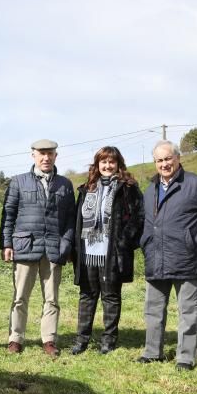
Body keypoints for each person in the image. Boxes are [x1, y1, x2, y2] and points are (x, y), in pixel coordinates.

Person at [137, 140, 197, 370]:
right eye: (159, 160)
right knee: (153, 309)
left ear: (178, 158)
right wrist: (146, 242)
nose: (164, 164)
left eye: (168, 159)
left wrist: (195, 242)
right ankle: (153, 351)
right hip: (156, 257)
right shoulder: (150, 189)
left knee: (188, 311)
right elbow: (146, 221)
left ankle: (185, 356)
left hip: (187, 257)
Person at [0, 138, 76, 356]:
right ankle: (15, 338)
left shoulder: (65, 184)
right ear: (33, 155)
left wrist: (67, 244)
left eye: (50, 153)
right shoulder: (18, 182)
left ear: (55, 156)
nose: (46, 157)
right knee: (20, 296)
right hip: (25, 246)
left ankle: (49, 340)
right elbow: (9, 216)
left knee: (52, 298)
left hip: (53, 248)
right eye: (41, 153)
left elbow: (70, 219)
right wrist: (6, 243)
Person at [70, 146, 143, 355]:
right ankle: (81, 340)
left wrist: (124, 240)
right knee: (87, 296)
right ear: (97, 164)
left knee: (110, 297)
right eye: (103, 162)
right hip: (87, 251)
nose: (107, 165)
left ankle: (108, 341)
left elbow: (139, 216)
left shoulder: (127, 187)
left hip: (112, 252)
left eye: (112, 162)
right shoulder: (86, 188)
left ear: (118, 164)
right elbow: (78, 219)